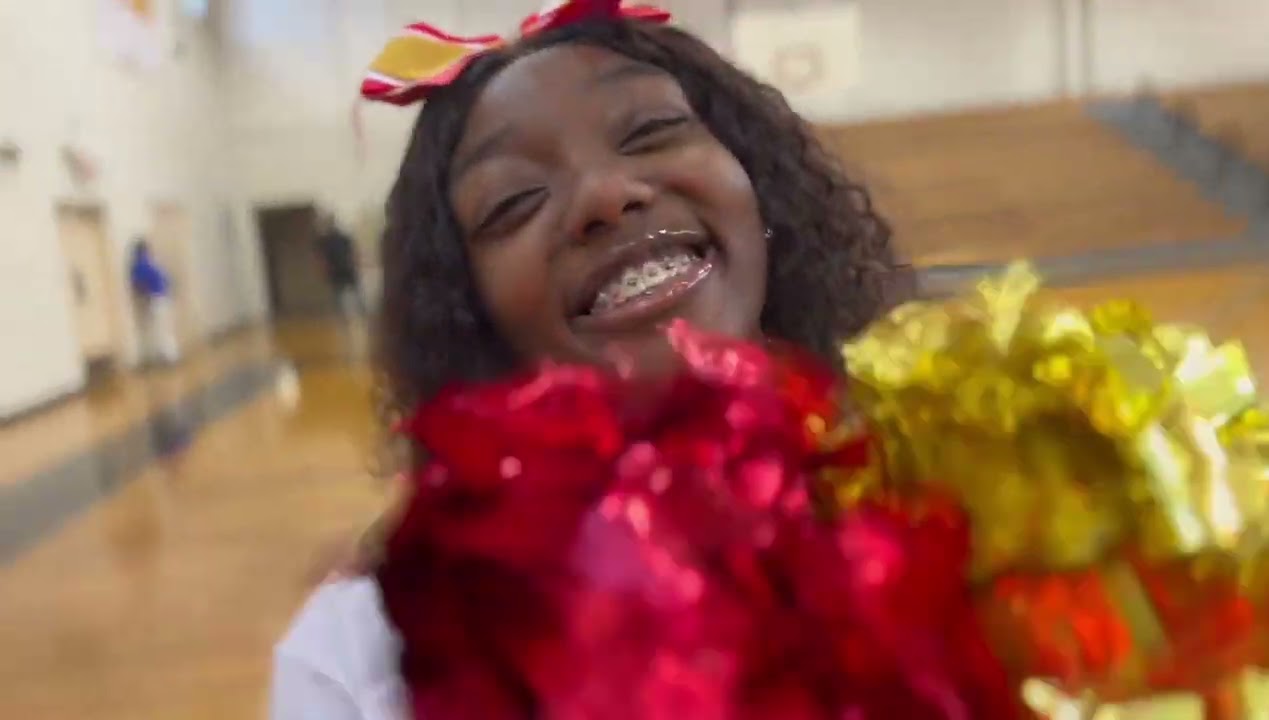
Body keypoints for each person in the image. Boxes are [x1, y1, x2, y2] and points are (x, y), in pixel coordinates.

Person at [271, 4, 910, 718]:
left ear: (758, 188)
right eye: (513, 201)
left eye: (650, 132)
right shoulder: (362, 654)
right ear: (472, 309)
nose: (605, 197)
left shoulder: (956, 489)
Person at [129, 239, 180, 366]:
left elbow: (138, 284)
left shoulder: (140, 265)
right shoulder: (152, 263)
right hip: (164, 297)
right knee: (165, 327)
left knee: (159, 329)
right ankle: (170, 355)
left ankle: (167, 357)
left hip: (155, 299)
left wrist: (142, 296)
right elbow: (166, 279)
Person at [315, 211, 366, 320]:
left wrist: (357, 264)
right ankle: (346, 318)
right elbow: (322, 259)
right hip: (339, 271)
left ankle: (361, 315)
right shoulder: (324, 240)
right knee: (341, 298)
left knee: (354, 296)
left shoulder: (341, 237)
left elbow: (353, 252)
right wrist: (324, 270)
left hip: (346, 269)